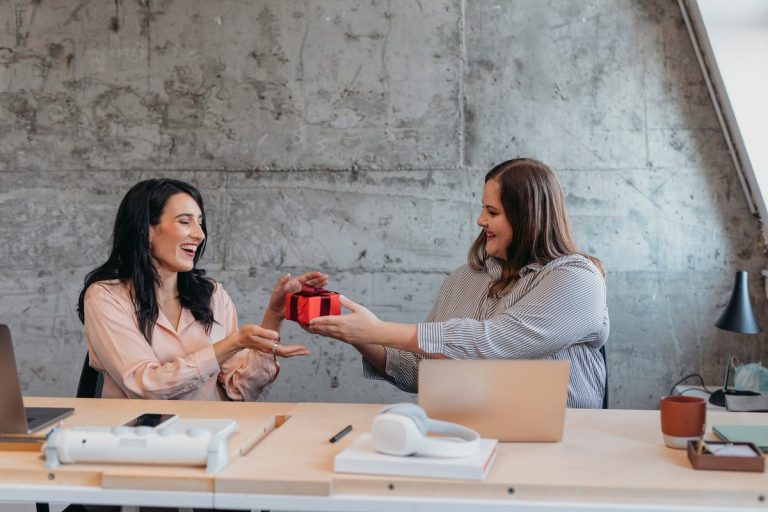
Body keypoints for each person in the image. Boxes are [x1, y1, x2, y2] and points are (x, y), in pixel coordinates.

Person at [309, 158, 608, 408]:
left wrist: (379, 329)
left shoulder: (576, 279)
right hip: (467, 436)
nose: (480, 220)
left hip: (562, 442)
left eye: (492, 212)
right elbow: (420, 371)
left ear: (528, 217)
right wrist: (356, 334)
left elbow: (492, 342)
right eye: (483, 208)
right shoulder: (463, 279)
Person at [77, 178, 326, 401]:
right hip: (138, 443)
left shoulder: (213, 295)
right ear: (147, 230)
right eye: (185, 222)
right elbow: (146, 386)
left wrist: (273, 316)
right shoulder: (105, 298)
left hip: (211, 436)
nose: (199, 234)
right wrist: (233, 343)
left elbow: (240, 390)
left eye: (200, 223)